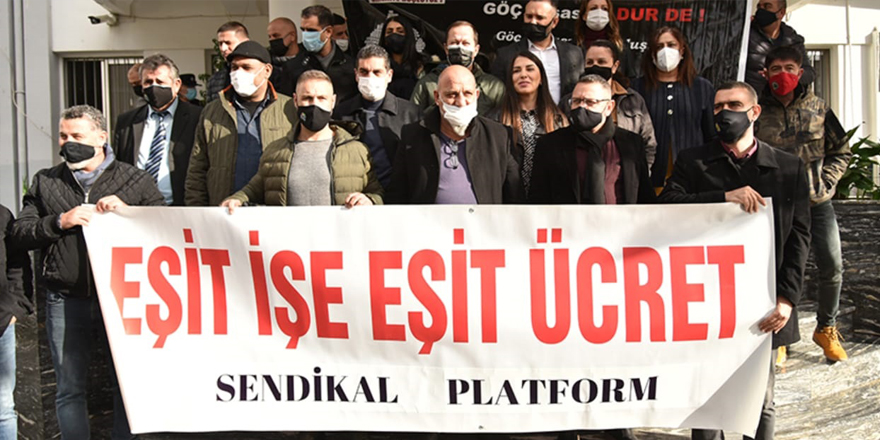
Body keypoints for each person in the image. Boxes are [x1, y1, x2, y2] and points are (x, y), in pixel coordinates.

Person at [659, 81, 811, 440]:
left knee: (760, 400)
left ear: (754, 112)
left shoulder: (788, 167)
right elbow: (667, 205)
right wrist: (722, 197)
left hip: (763, 301)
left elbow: (800, 237)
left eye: (734, 105)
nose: (724, 113)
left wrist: (787, 298)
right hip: (706, 299)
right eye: (717, 107)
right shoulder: (693, 160)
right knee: (707, 400)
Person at [12, 105, 166, 439]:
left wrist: (129, 212)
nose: (68, 143)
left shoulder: (134, 179)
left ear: (101, 138)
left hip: (122, 300)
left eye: (77, 136)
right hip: (66, 299)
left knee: (125, 387)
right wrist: (59, 221)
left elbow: (163, 228)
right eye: (63, 136)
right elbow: (21, 232)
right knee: (69, 389)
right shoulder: (46, 181)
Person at [754, 45, 851, 364]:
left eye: (789, 68)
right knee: (777, 269)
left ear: (800, 72)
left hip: (816, 204)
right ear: (765, 73)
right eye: (776, 68)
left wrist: (826, 182)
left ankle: (826, 328)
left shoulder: (819, 109)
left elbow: (841, 151)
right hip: (776, 207)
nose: (783, 74)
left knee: (832, 266)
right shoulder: (757, 111)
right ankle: (780, 334)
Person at [222, 69, 381, 210]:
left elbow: (376, 193)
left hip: (339, 234)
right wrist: (237, 199)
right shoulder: (276, 151)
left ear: (333, 102)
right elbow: (254, 189)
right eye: (307, 98)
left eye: (321, 98)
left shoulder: (357, 150)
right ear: (295, 101)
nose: (314, 105)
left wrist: (369, 200)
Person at [388, 65, 523, 204]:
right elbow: (397, 195)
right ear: (437, 97)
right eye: (452, 94)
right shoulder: (413, 136)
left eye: (468, 93)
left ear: (477, 95)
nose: (461, 102)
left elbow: (514, 196)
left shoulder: (499, 136)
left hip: (485, 218)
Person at [185, 41, 297, 207]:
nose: (238, 73)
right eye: (234, 67)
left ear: (267, 70)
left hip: (273, 210)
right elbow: (197, 167)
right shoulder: (213, 111)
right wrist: (197, 209)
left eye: (246, 67)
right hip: (225, 209)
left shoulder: (289, 109)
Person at [530, 74, 654, 207]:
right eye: (576, 101)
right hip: (568, 220)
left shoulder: (631, 143)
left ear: (609, 107)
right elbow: (538, 198)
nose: (582, 107)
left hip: (621, 219)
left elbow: (644, 196)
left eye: (590, 102)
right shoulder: (550, 145)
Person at [632, 26, 715, 193]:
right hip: (648, 176)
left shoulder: (702, 87)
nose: (665, 51)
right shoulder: (637, 88)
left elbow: (711, 134)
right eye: (659, 47)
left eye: (671, 45)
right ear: (652, 54)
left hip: (693, 177)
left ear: (682, 50)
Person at [113, 54, 202, 206]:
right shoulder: (126, 122)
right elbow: (118, 168)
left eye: (160, 82)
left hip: (182, 208)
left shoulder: (198, 118)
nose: (154, 87)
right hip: (136, 209)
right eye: (148, 82)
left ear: (176, 85)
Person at [333, 45, 421, 190]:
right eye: (364, 72)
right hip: (356, 195)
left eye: (377, 72)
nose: (370, 77)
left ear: (389, 75)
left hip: (398, 195)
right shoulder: (341, 113)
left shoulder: (411, 114)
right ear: (356, 75)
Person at [492, 51, 567, 197]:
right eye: (516, 71)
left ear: (541, 78)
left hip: (547, 201)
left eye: (530, 69)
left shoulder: (558, 120)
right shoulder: (495, 119)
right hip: (509, 200)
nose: (523, 75)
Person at [491, 0, 584, 104]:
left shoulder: (574, 54)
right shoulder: (505, 55)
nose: (533, 22)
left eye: (540, 18)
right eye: (529, 16)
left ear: (554, 22)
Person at [411, 21, 505, 116]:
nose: (460, 47)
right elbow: (412, 118)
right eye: (454, 43)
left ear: (476, 50)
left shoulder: (494, 87)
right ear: (446, 49)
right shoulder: (427, 84)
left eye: (465, 43)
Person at [276, 5, 357, 100]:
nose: (306, 35)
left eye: (311, 30)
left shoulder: (351, 66)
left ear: (328, 31)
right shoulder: (293, 67)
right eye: (303, 30)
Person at [0, 204, 32, 440]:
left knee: (3, 409)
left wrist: (14, 308)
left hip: (1, 325)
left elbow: (18, 265)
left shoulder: (2, 215)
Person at [746, 0, 814, 92]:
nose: (761, 10)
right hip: (755, 97)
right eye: (759, 7)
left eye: (767, 6)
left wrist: (787, 77)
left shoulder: (793, 40)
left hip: (787, 99)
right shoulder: (745, 36)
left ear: (781, 13)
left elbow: (809, 73)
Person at [575, 0, 638, 80]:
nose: (599, 12)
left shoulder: (621, 47)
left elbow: (630, 79)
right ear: (584, 15)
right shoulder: (573, 47)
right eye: (593, 8)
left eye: (604, 9)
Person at [379, 15, 427, 100]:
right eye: (389, 32)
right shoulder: (378, 65)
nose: (394, 35)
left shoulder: (422, 65)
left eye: (400, 31)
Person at [206, 21, 250, 103]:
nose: (223, 48)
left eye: (228, 43)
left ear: (245, 42)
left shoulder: (259, 75)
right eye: (220, 43)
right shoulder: (215, 80)